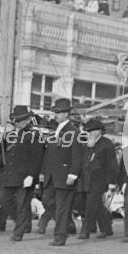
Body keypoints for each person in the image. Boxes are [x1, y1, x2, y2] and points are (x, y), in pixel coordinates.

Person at [39, 98, 83, 246]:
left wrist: (73, 174)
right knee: (47, 201)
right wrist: (43, 171)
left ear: (66, 114)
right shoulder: (56, 131)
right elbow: (48, 154)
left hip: (65, 176)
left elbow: (77, 156)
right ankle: (68, 225)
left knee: (62, 208)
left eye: (58, 112)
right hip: (51, 175)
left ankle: (60, 236)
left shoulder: (74, 131)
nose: (55, 115)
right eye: (55, 112)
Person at [0, 106, 44, 241]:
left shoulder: (34, 135)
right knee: (5, 201)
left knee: (22, 205)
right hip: (10, 175)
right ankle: (23, 222)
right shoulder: (11, 134)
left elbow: (37, 157)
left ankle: (18, 233)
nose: (16, 122)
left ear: (27, 120)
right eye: (15, 120)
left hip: (25, 176)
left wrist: (31, 175)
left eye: (19, 120)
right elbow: (1, 151)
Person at [78, 118, 118, 239]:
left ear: (99, 131)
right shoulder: (88, 143)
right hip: (87, 179)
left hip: (99, 179)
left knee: (91, 205)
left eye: (91, 131)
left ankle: (85, 230)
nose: (89, 133)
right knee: (96, 205)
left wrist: (111, 181)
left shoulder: (107, 144)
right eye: (88, 131)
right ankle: (106, 228)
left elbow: (112, 164)